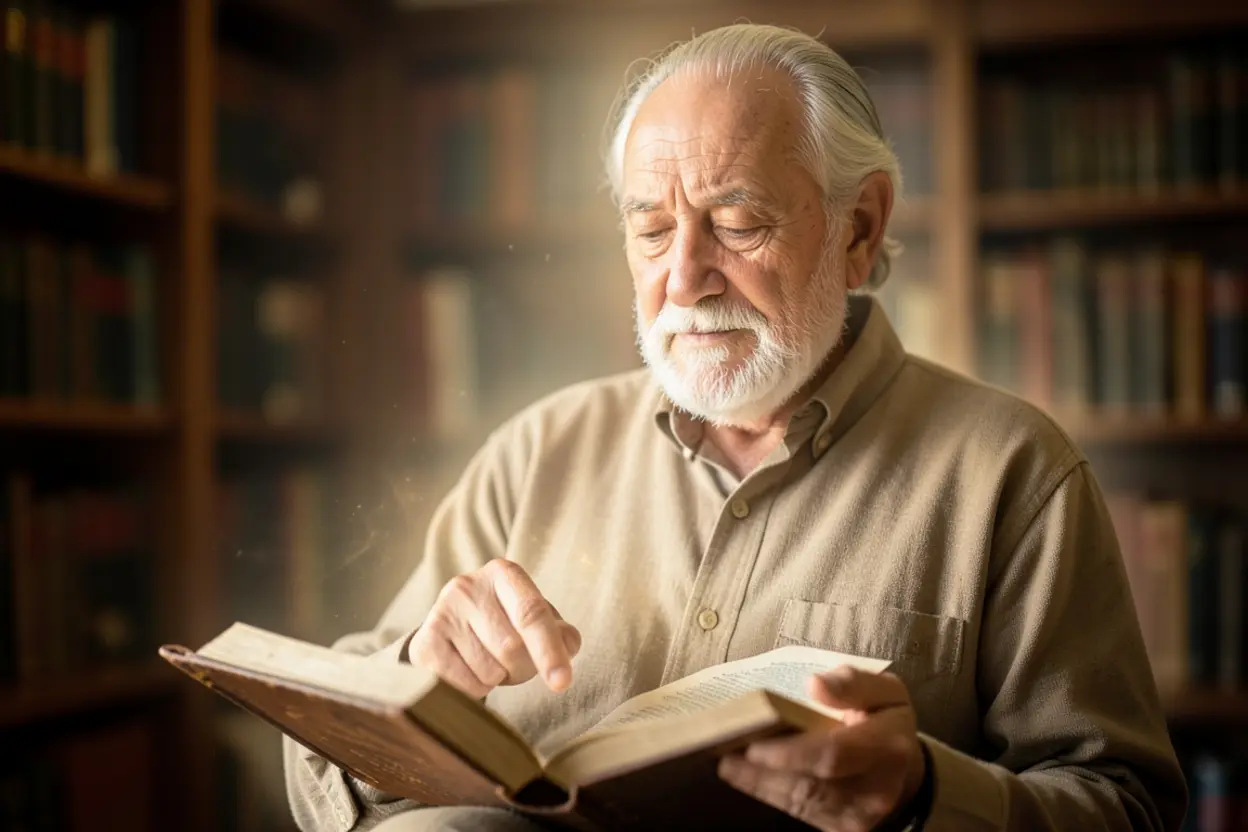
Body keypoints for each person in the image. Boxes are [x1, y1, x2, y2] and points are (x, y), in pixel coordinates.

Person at [284, 22, 1187, 832]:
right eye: (650, 231)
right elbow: (323, 756)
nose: (684, 277)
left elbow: (1126, 806)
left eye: (738, 222)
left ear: (859, 230)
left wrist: (919, 796)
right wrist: (421, 672)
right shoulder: (536, 451)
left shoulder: (1010, 472)